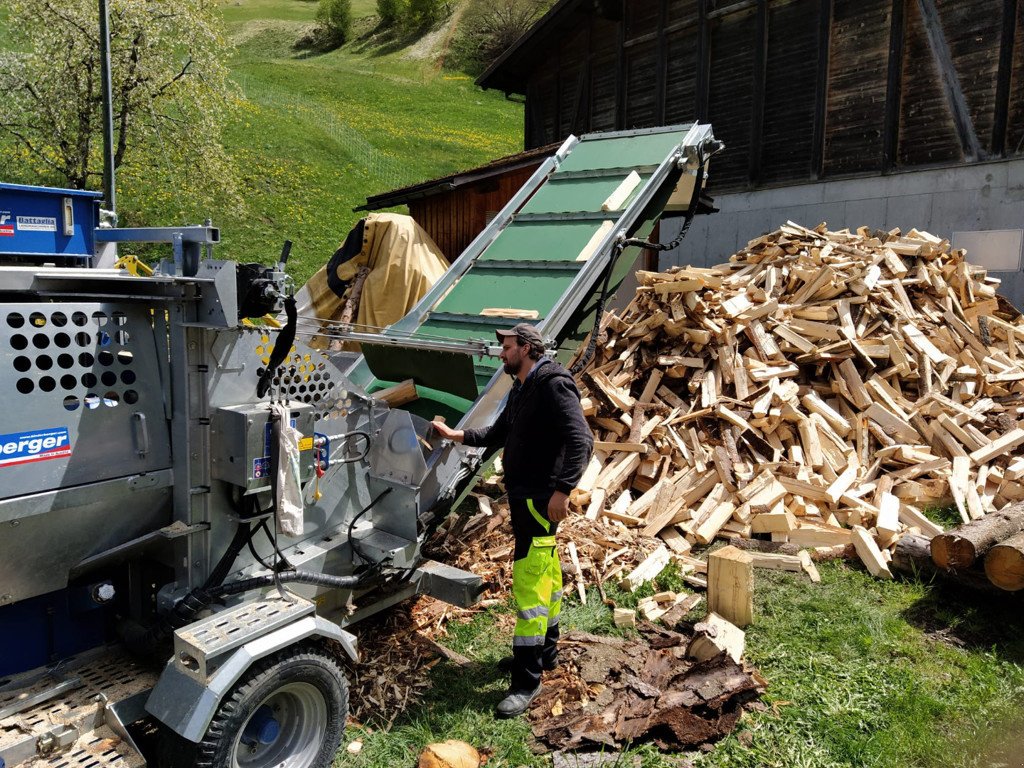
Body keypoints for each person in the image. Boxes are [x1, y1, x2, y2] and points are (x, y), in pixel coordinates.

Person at [432, 323, 593, 718]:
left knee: (530, 582)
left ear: (526, 347)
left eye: (506, 347)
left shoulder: (553, 384)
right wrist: (456, 435)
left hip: (541, 499)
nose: (500, 353)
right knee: (546, 571)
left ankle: (526, 681)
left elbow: (581, 440)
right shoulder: (522, 387)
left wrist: (563, 490)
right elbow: (500, 431)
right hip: (526, 498)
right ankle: (547, 653)